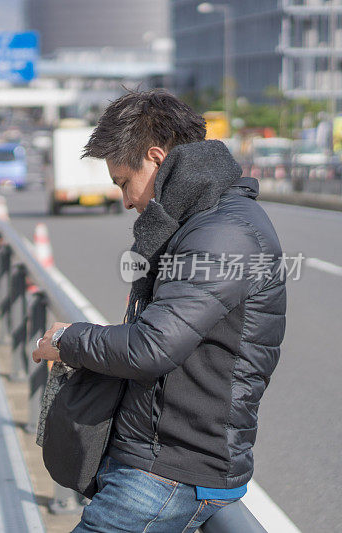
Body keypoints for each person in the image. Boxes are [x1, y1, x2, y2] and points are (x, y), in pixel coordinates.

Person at [32, 89, 286, 532]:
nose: (126, 201)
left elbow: (151, 347)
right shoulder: (200, 222)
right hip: (167, 458)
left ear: (154, 157)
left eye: (123, 182)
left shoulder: (224, 233)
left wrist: (65, 340)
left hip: (168, 473)